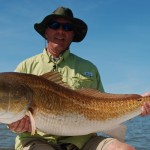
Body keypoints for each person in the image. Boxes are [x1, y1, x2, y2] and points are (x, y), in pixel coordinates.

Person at [8, 6, 150, 150]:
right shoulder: (25, 67)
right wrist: (15, 125)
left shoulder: (89, 68)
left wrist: (141, 101)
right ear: (46, 31)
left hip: (84, 141)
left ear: (73, 35)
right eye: (54, 25)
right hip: (37, 140)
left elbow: (106, 104)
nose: (61, 31)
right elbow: (12, 117)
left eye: (67, 27)